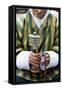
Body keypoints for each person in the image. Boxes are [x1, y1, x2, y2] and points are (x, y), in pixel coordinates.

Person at [16, 8, 59, 82]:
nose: (39, 10)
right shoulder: (20, 21)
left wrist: (51, 57)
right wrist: (27, 58)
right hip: (24, 76)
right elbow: (13, 48)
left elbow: (59, 45)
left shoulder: (56, 21)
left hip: (52, 74)